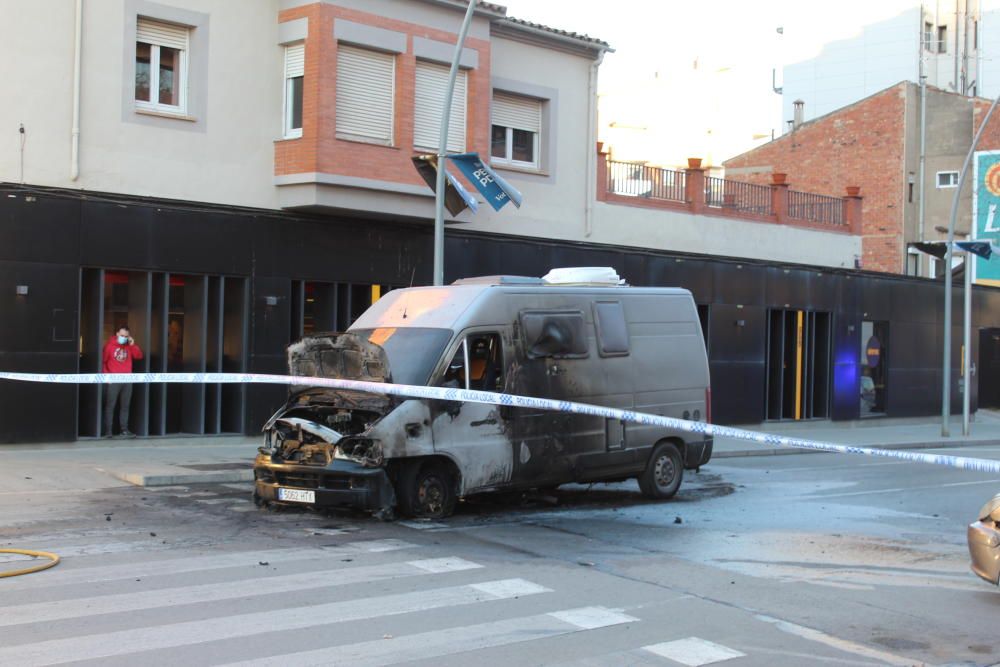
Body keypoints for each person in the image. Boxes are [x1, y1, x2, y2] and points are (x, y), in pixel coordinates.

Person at [103, 325, 143, 438]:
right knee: (111, 405)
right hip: (114, 380)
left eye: (126, 336)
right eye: (121, 335)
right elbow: (104, 362)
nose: (123, 337)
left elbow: (139, 356)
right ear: (117, 334)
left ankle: (124, 429)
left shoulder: (129, 346)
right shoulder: (109, 346)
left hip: (127, 380)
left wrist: (132, 345)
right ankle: (108, 431)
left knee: (125, 405)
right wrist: (107, 377)